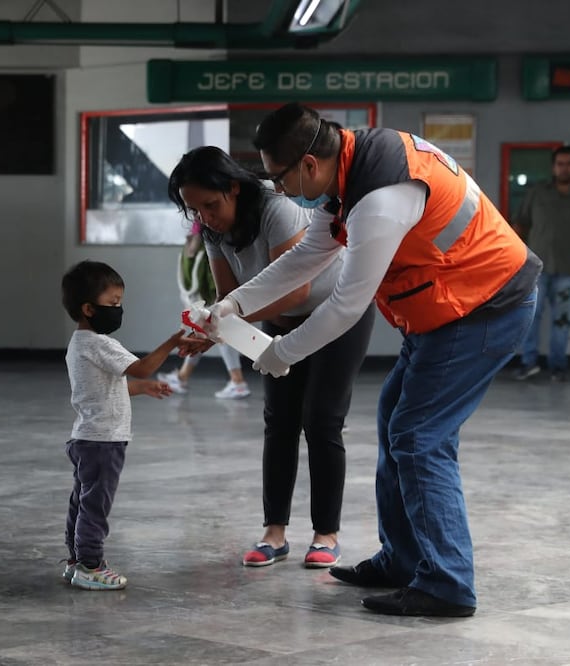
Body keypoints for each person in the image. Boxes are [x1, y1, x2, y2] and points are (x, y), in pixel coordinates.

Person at [212, 103, 541, 616]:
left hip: (484, 306)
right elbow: (307, 256)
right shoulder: (353, 173)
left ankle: (447, 583)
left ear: (308, 165)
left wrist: (282, 352)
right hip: (446, 309)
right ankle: (403, 559)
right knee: (398, 422)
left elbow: (345, 304)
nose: (276, 190)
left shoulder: (379, 198)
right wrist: (235, 303)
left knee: (417, 438)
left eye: (278, 177)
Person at [168, 146, 374, 571]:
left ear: (235, 189)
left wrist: (222, 320)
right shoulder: (211, 230)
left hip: (335, 316)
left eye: (211, 205)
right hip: (278, 319)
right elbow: (229, 299)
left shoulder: (275, 208)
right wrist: (211, 330)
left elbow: (295, 289)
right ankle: (274, 533)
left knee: (321, 419)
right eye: (195, 210)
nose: (205, 218)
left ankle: (326, 535)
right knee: (278, 419)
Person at [60, 260, 187, 590]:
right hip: (104, 441)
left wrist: (142, 389)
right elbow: (143, 367)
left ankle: (76, 560)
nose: (119, 310)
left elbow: (105, 389)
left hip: (85, 438)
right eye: (113, 304)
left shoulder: (78, 345)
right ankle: (91, 564)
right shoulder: (101, 344)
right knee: (96, 504)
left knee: (83, 500)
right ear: (89, 308)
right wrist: (172, 342)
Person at [512, 145, 570, 382]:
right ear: (553, 167)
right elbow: (520, 225)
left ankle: (558, 366)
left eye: (569, 164)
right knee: (530, 317)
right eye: (560, 164)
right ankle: (528, 363)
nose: (565, 168)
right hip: (537, 269)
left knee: (562, 320)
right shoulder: (537, 193)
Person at [158, 218, 251, 399]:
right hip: (210, 296)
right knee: (204, 333)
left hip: (212, 297)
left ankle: (237, 381)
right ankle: (183, 377)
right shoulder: (204, 238)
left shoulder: (209, 241)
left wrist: (215, 300)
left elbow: (210, 276)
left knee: (216, 332)